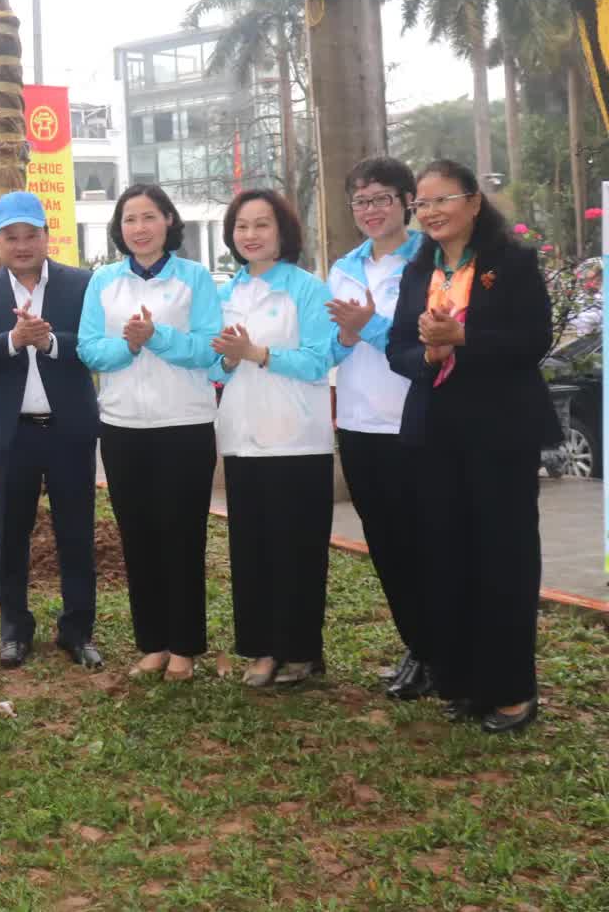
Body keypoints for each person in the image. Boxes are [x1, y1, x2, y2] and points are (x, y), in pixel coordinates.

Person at [387, 160, 558, 733]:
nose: (431, 212)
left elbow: (533, 339)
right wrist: (429, 356)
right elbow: (396, 350)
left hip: (501, 434)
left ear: (475, 202)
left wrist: (463, 338)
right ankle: (463, 682)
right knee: (449, 557)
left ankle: (512, 690)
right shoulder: (419, 271)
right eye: (422, 204)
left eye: (443, 199)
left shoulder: (511, 262)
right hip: (436, 435)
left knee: (503, 559)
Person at [0, 192, 103, 669]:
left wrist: (53, 341)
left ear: (46, 236)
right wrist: (14, 341)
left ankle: (77, 631)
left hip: (69, 433)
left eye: (30, 235)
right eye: (11, 237)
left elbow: (99, 346)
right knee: (10, 535)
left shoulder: (81, 285)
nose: (22, 245)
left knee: (76, 534)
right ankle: (14, 629)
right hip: (11, 435)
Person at [77, 184, 222, 682]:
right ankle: (153, 644)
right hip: (121, 427)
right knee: (137, 537)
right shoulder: (104, 282)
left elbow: (209, 349)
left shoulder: (195, 279)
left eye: (148, 217)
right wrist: (130, 347)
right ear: (119, 229)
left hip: (184, 424)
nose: (138, 228)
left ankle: (185, 647)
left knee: (182, 536)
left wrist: (156, 337)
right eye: (129, 219)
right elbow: (90, 350)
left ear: (168, 222)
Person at [210, 191, 337, 689]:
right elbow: (212, 363)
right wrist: (225, 358)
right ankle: (262, 649)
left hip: (296, 438)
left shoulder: (305, 288)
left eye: (262, 225)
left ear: (283, 231)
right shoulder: (226, 292)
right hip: (242, 434)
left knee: (297, 549)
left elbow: (317, 359)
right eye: (242, 226)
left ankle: (303, 651)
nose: (250, 235)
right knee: (252, 548)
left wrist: (256, 352)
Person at [325, 159, 431, 698]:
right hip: (360, 422)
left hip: (417, 423)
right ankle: (418, 646)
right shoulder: (344, 268)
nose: (369, 211)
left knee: (427, 543)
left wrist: (367, 327)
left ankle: (443, 649)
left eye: (380, 199)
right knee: (385, 544)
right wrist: (344, 338)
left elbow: (421, 343)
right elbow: (329, 346)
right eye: (360, 201)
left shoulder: (429, 261)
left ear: (408, 200)